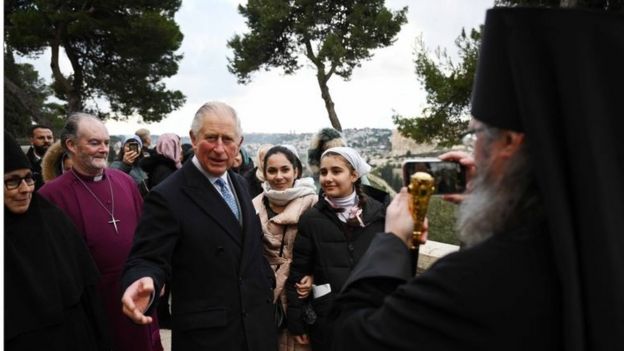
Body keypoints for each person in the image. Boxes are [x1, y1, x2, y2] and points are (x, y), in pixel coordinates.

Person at [330, 7, 624, 350]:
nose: (472, 148)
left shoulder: (483, 278)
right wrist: (497, 202)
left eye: (476, 135)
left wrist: (393, 241)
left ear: (510, 142)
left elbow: (353, 337)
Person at [121, 101, 277, 351]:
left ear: (240, 143)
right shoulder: (168, 195)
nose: (219, 148)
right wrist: (143, 280)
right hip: (208, 337)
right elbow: (148, 258)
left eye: (227, 139)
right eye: (211, 137)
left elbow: (248, 248)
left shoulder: (239, 183)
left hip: (256, 328)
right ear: (193, 138)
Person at [39, 113, 162, 351]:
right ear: (71, 145)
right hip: (90, 303)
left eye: (106, 143)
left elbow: (146, 237)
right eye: (94, 142)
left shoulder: (125, 182)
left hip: (136, 291)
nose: (103, 149)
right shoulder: (50, 196)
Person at [4, 131, 110, 351]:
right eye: (12, 182)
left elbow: (87, 294)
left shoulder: (52, 219)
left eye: (28, 178)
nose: (25, 189)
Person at [286, 146, 386, 350]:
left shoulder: (379, 215)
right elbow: (298, 272)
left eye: (336, 171)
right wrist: (297, 324)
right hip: (328, 321)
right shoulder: (312, 220)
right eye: (323, 172)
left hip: (371, 317)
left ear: (354, 175)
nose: (328, 178)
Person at [251, 145, 317, 351]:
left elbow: (326, 250)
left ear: (296, 171)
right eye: (272, 170)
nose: (279, 176)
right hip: (263, 292)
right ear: (264, 173)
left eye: (285, 169)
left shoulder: (313, 203)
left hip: (300, 293)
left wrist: (313, 276)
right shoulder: (253, 204)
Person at [25, 124, 54, 190]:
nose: (46, 141)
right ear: (31, 141)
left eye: (49, 138)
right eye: (41, 138)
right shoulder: (24, 163)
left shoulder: (63, 160)